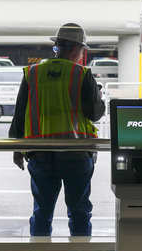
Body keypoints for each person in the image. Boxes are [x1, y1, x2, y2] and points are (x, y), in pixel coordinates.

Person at [9, 22, 106, 236]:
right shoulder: (81, 74)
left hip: (40, 153)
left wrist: (17, 149)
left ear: (58, 47)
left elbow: (19, 114)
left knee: (42, 212)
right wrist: (99, 96)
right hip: (76, 153)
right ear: (75, 49)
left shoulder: (33, 73)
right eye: (82, 50)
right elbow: (94, 113)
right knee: (79, 211)